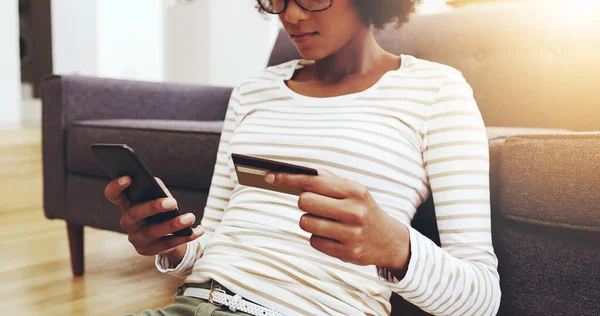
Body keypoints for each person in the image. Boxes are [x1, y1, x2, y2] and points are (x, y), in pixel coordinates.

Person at [105, 0, 501, 315]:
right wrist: (172, 243)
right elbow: (216, 243)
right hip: (190, 304)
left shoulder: (436, 92)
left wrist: (396, 247)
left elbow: (481, 299)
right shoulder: (253, 91)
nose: (291, 15)